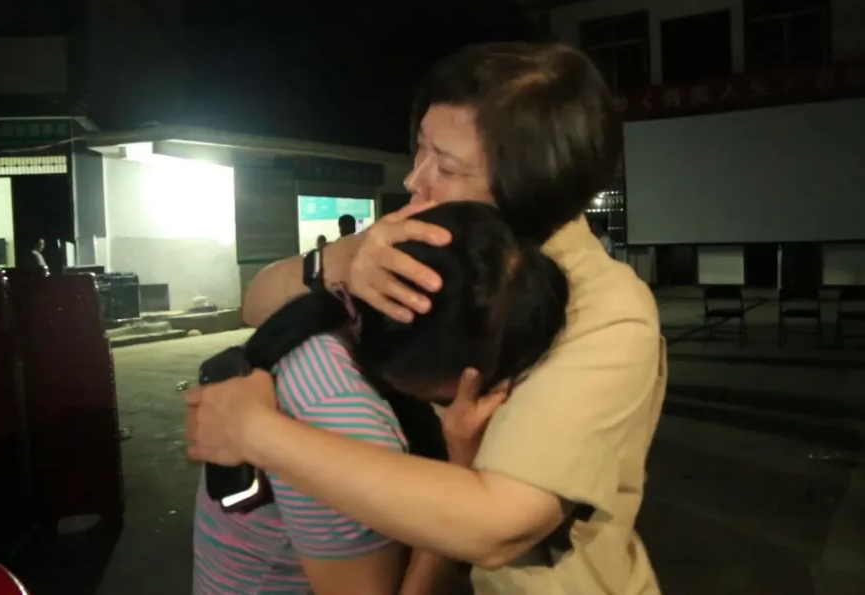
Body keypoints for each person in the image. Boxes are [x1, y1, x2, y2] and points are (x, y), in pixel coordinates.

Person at [186, 42, 666, 595]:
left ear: (527, 189)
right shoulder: (434, 236)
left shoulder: (605, 311)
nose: (416, 180)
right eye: (420, 149)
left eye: (446, 166)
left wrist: (253, 432)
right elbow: (258, 302)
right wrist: (348, 259)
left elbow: (501, 525)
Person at [192, 201, 570, 595]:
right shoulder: (343, 419)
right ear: (464, 376)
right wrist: (462, 468)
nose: (417, 184)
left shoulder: (331, 315)